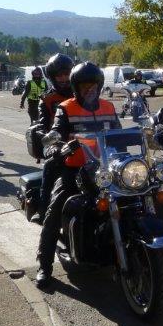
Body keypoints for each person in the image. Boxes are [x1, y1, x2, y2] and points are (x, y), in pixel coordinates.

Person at [35, 61, 121, 289]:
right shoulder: (66, 108)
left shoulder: (108, 106)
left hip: (106, 169)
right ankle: (44, 266)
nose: (89, 90)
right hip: (75, 169)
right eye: (84, 87)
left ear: (99, 86)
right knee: (54, 211)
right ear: (76, 88)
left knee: (137, 195)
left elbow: (120, 134)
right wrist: (55, 147)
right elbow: (55, 132)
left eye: (93, 86)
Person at [30, 54, 74, 220]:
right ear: (52, 77)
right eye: (59, 75)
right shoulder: (47, 99)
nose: (63, 78)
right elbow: (42, 124)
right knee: (50, 165)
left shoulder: (80, 94)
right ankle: (43, 210)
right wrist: (44, 135)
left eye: (66, 74)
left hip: (83, 143)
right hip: (56, 144)